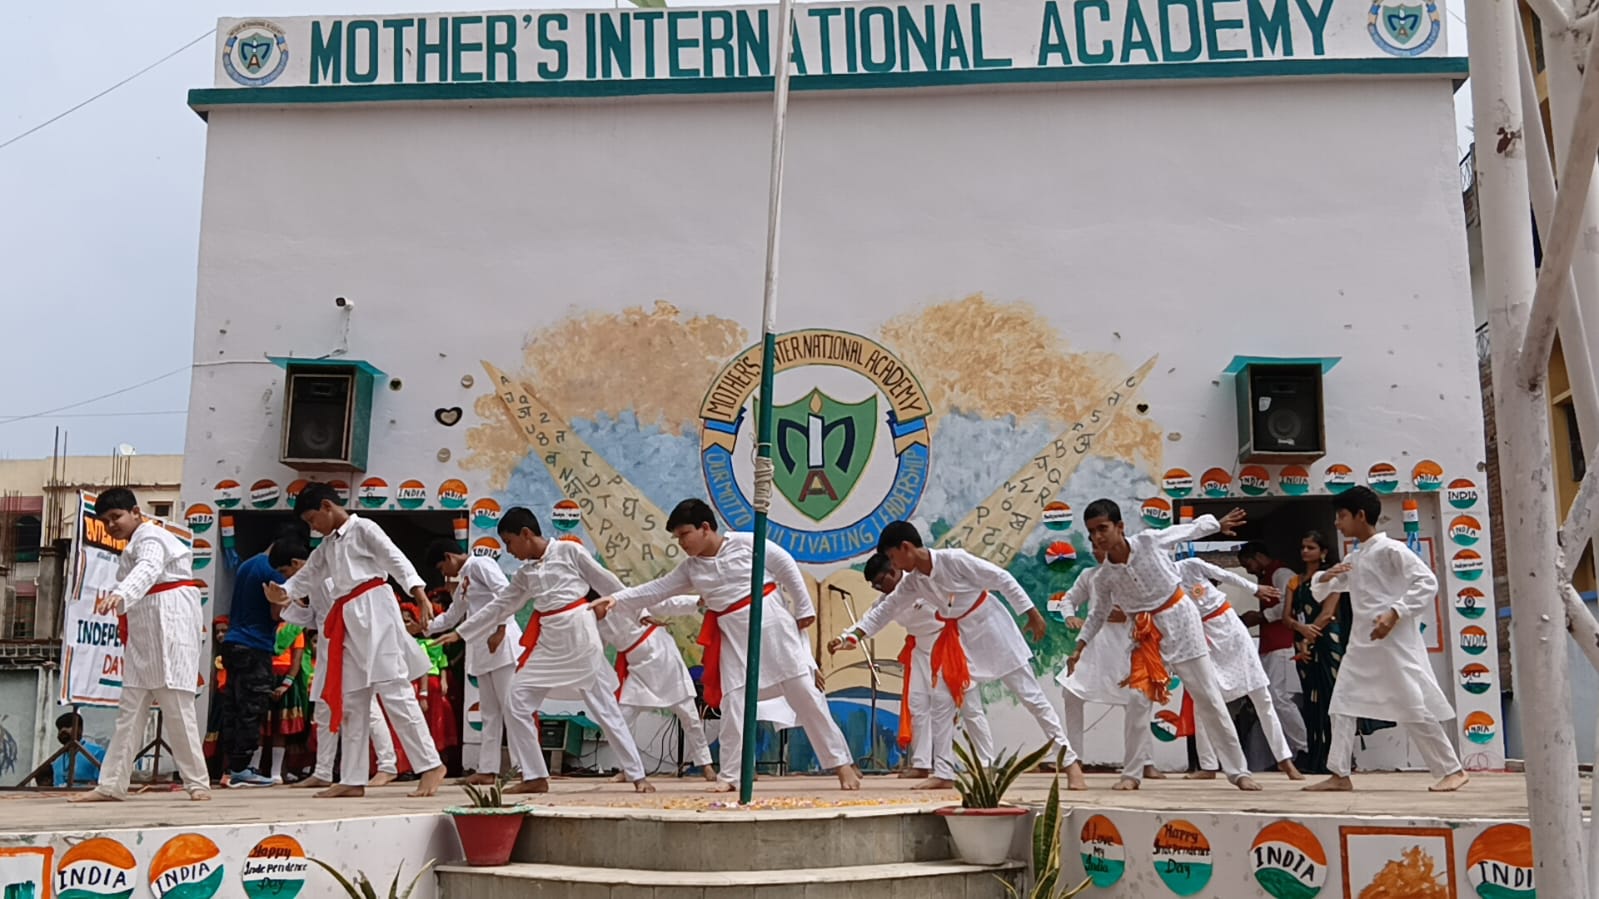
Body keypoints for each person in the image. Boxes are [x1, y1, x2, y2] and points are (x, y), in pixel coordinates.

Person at [597, 499, 861, 793]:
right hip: (733, 637)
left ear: (705, 528)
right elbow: (656, 590)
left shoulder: (747, 542)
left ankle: (843, 766)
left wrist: (803, 608)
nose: (681, 543)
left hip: (772, 625)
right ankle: (730, 776)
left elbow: (785, 564)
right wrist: (616, 599)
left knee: (805, 696)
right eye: (678, 537)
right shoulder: (691, 570)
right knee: (733, 704)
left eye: (684, 534)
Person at [435, 507, 655, 793]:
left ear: (526, 534)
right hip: (548, 642)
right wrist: (461, 632)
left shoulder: (568, 551)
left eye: (510, 542)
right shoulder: (525, 573)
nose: (509, 551)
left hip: (580, 636)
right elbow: (501, 606)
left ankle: (638, 776)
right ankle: (535, 776)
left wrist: (640, 610)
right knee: (517, 701)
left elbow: (605, 581)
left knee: (604, 707)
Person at [264, 482, 446, 798]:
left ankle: (431, 765)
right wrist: (285, 592)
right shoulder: (326, 548)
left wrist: (419, 594)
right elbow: (306, 577)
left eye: (312, 520)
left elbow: (395, 559)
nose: (312, 528)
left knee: (393, 688)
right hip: (346, 616)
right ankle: (352, 777)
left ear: (326, 506)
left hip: (375, 606)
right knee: (352, 699)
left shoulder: (364, 529)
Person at [874, 521, 1082, 790]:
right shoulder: (914, 582)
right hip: (959, 641)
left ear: (906, 547)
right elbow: (885, 609)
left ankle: (1070, 763)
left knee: (1032, 699)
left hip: (993, 630)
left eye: (892, 557)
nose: (895, 565)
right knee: (941, 702)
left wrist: (1031, 613)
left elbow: (1002, 579)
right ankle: (944, 772)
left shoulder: (955, 560)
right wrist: (852, 636)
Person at [1077, 500, 1261, 791]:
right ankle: (1132, 773)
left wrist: (1217, 524)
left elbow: (1185, 530)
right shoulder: (1104, 578)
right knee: (1137, 702)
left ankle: (1238, 771)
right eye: (1092, 532)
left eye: (1103, 528)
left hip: (1181, 621)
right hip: (1145, 635)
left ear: (1120, 527)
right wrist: (1080, 646)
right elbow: (1097, 613)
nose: (1098, 536)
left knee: (1209, 697)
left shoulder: (1149, 542)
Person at [1305, 486, 1469, 793]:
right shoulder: (1355, 557)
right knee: (1341, 705)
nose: (1338, 524)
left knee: (1411, 704)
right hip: (1361, 644)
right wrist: (1325, 577)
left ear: (1361, 516)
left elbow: (1427, 582)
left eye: (1341, 516)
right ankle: (1340, 773)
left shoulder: (1392, 550)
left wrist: (1395, 612)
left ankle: (1453, 769)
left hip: (1392, 642)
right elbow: (1324, 590)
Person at [71, 487, 211, 803]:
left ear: (136, 512)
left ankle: (197, 783)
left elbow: (148, 568)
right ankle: (111, 784)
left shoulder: (151, 538)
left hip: (168, 623)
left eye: (116, 517)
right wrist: (124, 597)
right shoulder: (134, 546)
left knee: (176, 707)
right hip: (143, 628)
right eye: (105, 521)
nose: (111, 525)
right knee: (129, 712)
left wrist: (121, 594)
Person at [829, 552, 995, 780]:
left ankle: (986, 763)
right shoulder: (889, 599)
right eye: (875, 586)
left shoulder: (924, 582)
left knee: (970, 706)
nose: (879, 588)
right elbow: (871, 618)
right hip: (920, 650)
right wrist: (845, 638)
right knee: (918, 705)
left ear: (894, 571)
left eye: (881, 582)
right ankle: (921, 763)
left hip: (950, 645)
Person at [267, 537, 399, 789]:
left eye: (286, 572)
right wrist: (286, 606)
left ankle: (387, 765)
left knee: (366, 707)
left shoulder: (331, 575)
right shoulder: (312, 583)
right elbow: (314, 619)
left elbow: (351, 611)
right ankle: (323, 770)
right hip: (330, 647)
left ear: (296, 563)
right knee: (324, 708)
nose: (287, 578)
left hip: (351, 645)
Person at [1174, 556, 1303, 781]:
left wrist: (1255, 589)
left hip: (1230, 628)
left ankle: (1285, 760)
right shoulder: (1161, 585)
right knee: (1202, 702)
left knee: (1262, 696)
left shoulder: (1190, 565)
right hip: (1204, 639)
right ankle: (1208, 765)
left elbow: (1224, 574)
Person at [1059, 548, 1163, 790]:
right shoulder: (1090, 575)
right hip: (1096, 646)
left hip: (1127, 646)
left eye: (1102, 549)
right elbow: (1068, 600)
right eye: (1094, 549)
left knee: (1136, 702)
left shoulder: (1133, 574)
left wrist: (1128, 615)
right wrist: (1069, 617)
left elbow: (1154, 605)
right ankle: (1076, 759)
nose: (1098, 553)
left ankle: (1145, 762)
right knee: (1071, 694)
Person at [424, 539, 522, 785]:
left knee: (512, 709)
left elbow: (506, 595)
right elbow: (452, 616)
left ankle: (524, 768)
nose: (443, 574)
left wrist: (500, 629)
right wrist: (425, 628)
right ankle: (487, 769)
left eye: (440, 568)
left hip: (501, 644)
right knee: (490, 712)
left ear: (448, 557)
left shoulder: (481, 564)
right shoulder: (464, 583)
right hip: (482, 648)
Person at [594, 592, 717, 782]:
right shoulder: (595, 623)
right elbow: (595, 647)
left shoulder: (626, 599)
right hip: (637, 668)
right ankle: (628, 768)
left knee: (689, 716)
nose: (595, 609)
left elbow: (664, 602)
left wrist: (696, 601)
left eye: (597, 605)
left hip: (663, 657)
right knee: (621, 718)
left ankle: (706, 764)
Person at [215, 542, 288, 788]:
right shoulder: (275, 571)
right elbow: (275, 614)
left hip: (233, 643)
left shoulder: (247, 565)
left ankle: (231, 768)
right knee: (251, 709)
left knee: (233, 708)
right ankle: (240, 770)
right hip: (256, 646)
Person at [1287, 530, 1352, 774]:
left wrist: (1310, 634)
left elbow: (1327, 612)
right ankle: (1316, 758)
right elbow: (1287, 616)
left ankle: (1339, 760)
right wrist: (1300, 629)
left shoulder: (1334, 577)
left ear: (1323, 552)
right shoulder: (1295, 581)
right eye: (1303, 547)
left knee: (1332, 699)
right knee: (1311, 702)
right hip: (1303, 642)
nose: (1305, 551)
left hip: (1327, 640)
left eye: (1311, 547)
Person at [1238, 541, 1310, 759]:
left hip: (1283, 645)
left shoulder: (1282, 574)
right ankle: (1291, 751)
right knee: (1273, 700)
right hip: (1271, 644)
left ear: (1259, 556)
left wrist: (1260, 616)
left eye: (1248, 563)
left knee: (1281, 699)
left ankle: (1304, 747)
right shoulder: (1268, 577)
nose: (1248, 570)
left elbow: (1289, 605)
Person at [402, 602, 458, 762]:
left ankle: (437, 757)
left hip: (431, 686)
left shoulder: (424, 644)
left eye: (408, 621)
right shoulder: (412, 643)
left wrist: (442, 681)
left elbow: (440, 664)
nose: (404, 625)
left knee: (437, 720)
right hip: (418, 684)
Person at [259, 621, 310, 784]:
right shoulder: (265, 625)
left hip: (285, 681)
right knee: (259, 726)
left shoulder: (295, 630)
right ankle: (253, 768)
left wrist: (286, 684)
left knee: (280, 729)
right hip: (264, 677)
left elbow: (297, 659)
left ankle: (276, 773)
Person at [45, 713, 104, 787]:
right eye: (60, 728)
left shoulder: (97, 753)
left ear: (80, 729)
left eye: (68, 726)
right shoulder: (57, 759)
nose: (63, 730)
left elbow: (103, 785)